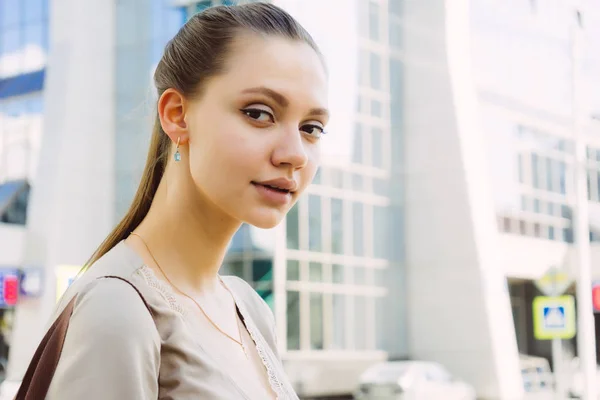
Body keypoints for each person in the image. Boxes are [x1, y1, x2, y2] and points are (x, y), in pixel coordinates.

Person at [44, 3, 328, 399]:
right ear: (177, 115)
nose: (295, 154)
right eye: (259, 113)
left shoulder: (249, 309)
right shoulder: (119, 309)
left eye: (311, 128)